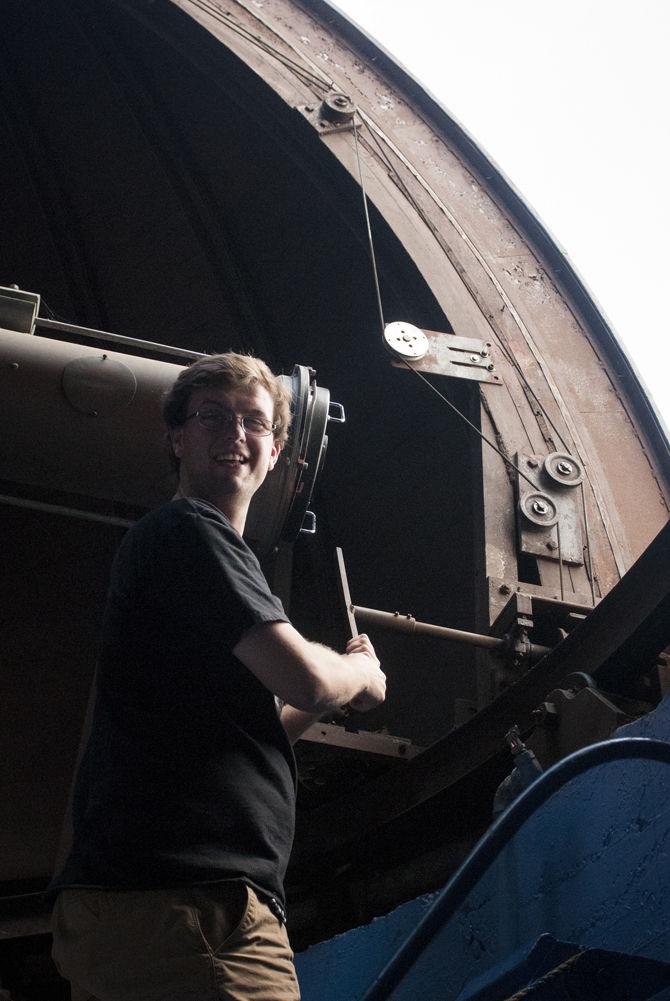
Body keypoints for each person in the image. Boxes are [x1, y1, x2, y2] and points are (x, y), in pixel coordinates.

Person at [50, 353, 386, 1001]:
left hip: (164, 906)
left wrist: (321, 692)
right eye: (214, 416)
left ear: (277, 449)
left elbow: (258, 728)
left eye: (254, 422)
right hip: (191, 908)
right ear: (176, 437)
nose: (237, 434)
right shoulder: (188, 530)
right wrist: (359, 675)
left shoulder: (199, 555)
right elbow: (309, 682)